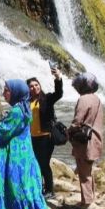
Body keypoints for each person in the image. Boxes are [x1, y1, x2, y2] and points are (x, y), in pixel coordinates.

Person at [0, 80, 51, 209]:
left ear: (16, 92)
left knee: (15, 186)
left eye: (7, 90)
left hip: (15, 156)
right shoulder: (23, 107)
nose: (4, 93)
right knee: (24, 185)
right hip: (24, 153)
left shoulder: (16, 111)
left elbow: (2, 131)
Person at [68, 73, 104, 209]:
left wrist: (68, 131)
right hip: (96, 139)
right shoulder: (97, 99)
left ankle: (87, 203)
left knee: (84, 172)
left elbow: (78, 121)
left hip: (85, 141)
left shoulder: (83, 99)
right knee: (88, 170)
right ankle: (89, 198)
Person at [27, 67, 64, 198]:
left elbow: (58, 94)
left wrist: (58, 78)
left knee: (43, 163)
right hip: (32, 138)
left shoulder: (47, 98)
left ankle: (49, 190)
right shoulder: (27, 102)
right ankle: (39, 187)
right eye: (31, 86)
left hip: (45, 138)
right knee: (35, 163)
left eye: (36, 85)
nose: (34, 87)